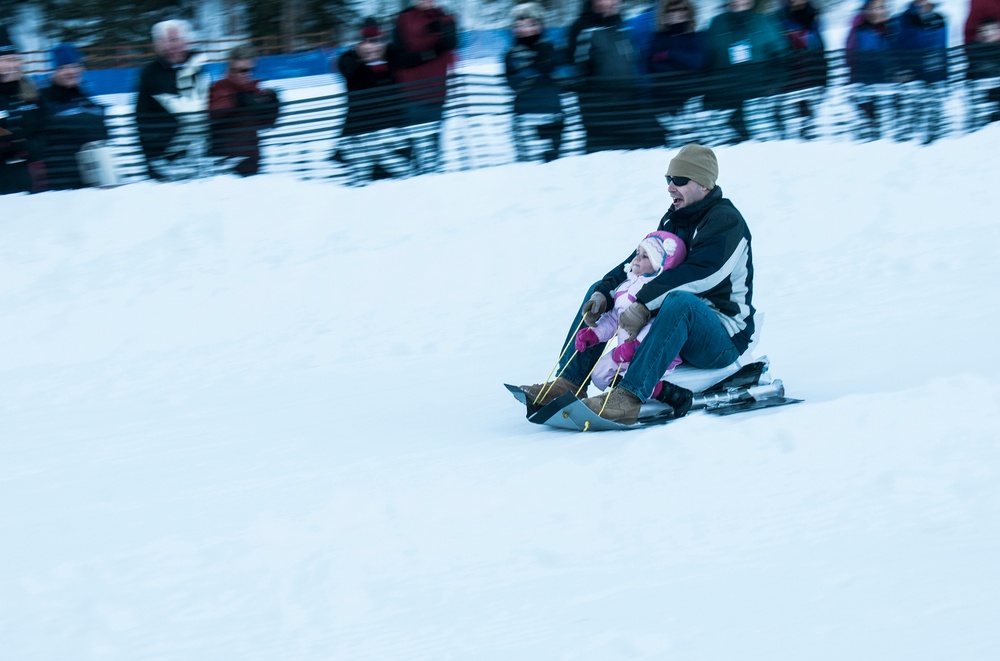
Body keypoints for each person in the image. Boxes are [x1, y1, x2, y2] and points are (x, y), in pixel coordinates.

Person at [522, 144, 756, 424]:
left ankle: (629, 396)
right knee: (602, 289)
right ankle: (570, 381)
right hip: (676, 322)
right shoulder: (674, 218)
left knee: (680, 303)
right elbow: (638, 264)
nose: (670, 187)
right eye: (668, 179)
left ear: (704, 184)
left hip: (722, 336)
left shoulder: (726, 222)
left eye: (679, 180)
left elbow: (702, 275)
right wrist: (605, 291)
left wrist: (644, 304)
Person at [574, 231, 687, 392]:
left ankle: (666, 394)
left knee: (635, 378)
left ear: (659, 265)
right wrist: (594, 334)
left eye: (646, 256)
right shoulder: (625, 286)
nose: (637, 258)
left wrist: (635, 347)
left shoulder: (657, 292)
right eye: (638, 253)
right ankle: (620, 394)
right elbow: (614, 319)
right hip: (624, 352)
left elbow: (657, 326)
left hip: (649, 354)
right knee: (599, 373)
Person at [566, 0, 662, 153]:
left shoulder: (620, 24)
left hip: (630, 109)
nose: (614, 2)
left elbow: (630, 62)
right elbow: (580, 73)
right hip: (602, 116)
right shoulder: (582, 28)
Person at [335, 17, 412, 185]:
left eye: (377, 41)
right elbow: (347, 69)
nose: (373, 46)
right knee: (362, 186)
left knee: (399, 183)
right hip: (360, 134)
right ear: (359, 44)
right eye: (367, 42)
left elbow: (410, 56)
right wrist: (360, 56)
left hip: (391, 132)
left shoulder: (392, 56)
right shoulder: (349, 60)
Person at [704, 0, 788, 144]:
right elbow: (706, 61)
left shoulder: (764, 22)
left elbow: (781, 56)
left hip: (759, 103)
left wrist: (773, 86)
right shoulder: (717, 24)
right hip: (726, 105)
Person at [135, 19, 209, 181]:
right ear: (158, 46)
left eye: (175, 39)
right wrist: (152, 158)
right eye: (165, 41)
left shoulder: (198, 67)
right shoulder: (149, 74)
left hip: (200, 156)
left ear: (185, 41)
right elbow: (141, 116)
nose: (171, 46)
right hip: (166, 157)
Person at [389, 0, 458, 174]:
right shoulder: (403, 19)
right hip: (411, 92)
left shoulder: (444, 18)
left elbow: (450, 44)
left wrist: (446, 26)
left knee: (434, 145)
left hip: (436, 92)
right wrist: (431, 52)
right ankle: (413, 181)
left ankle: (432, 180)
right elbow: (400, 58)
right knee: (414, 144)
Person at [38, 43, 110, 189]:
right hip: (60, 182)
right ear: (53, 71)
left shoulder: (84, 97)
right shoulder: (43, 99)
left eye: (74, 66)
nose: (70, 72)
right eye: (63, 68)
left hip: (90, 177)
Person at [504, 2, 565, 163]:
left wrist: (551, 67)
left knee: (554, 163)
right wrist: (534, 72)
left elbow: (565, 76)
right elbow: (513, 83)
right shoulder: (511, 54)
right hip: (525, 117)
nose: (526, 29)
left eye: (531, 24)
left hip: (553, 115)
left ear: (540, 25)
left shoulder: (552, 48)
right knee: (529, 166)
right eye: (520, 25)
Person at [208, 45, 280, 177]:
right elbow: (212, 113)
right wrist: (235, 100)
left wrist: (273, 105)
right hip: (225, 166)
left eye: (245, 70)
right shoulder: (219, 88)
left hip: (251, 162)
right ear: (229, 69)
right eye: (236, 70)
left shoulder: (253, 90)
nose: (240, 75)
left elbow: (267, 124)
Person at [646, 0, 710, 145]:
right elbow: (654, 65)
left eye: (681, 9)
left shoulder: (696, 37)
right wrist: (682, 63)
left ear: (689, 12)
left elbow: (696, 62)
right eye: (671, 10)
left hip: (692, 102)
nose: (676, 13)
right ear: (664, 14)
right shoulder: (657, 39)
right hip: (666, 102)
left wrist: (669, 55)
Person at [845, 0, 905, 141]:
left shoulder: (893, 28)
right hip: (867, 90)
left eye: (880, 7)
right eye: (872, 8)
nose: (876, 12)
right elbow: (851, 60)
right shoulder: (860, 31)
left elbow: (900, 55)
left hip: (892, 91)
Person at [893, 0, 948, 143]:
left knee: (933, 117)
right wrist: (902, 70)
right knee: (911, 118)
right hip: (912, 76)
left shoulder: (939, 18)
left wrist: (945, 75)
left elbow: (942, 47)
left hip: (935, 75)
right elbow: (900, 47)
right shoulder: (904, 19)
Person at [0, 24, 44, 195]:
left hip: (32, 179)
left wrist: (31, 145)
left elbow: (44, 129)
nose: (11, 66)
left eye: (14, 60)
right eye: (4, 60)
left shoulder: (31, 93)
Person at [776, 0, 828, 140]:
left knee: (811, 120)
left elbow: (820, 46)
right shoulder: (779, 18)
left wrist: (823, 74)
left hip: (811, 75)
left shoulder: (814, 16)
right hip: (790, 79)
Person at [965, 17, 1000, 128]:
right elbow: (971, 74)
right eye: (985, 30)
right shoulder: (976, 49)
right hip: (985, 95)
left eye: (992, 29)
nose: (989, 33)